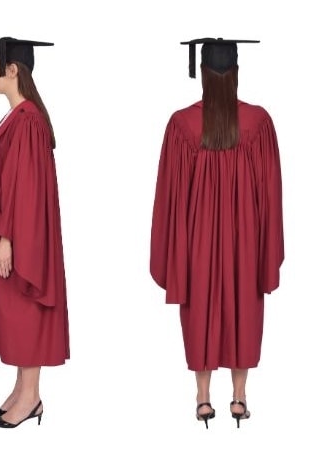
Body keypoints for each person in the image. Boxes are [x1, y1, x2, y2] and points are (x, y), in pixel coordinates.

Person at [150, 37, 284, 429]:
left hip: (198, 241)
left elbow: (169, 199)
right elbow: (271, 192)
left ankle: (203, 398)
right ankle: (240, 397)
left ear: (202, 74)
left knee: (202, 308)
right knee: (244, 304)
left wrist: (174, 249)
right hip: (245, 238)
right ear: (236, 73)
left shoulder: (182, 124)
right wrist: (264, 243)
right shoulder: (259, 123)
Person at [0, 37, 70, 429]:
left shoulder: (27, 120)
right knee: (13, 311)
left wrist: (8, 238)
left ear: (13, 71)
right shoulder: (21, 116)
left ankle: (31, 397)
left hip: (20, 235)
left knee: (25, 309)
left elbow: (23, 187)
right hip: (9, 230)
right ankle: (20, 390)